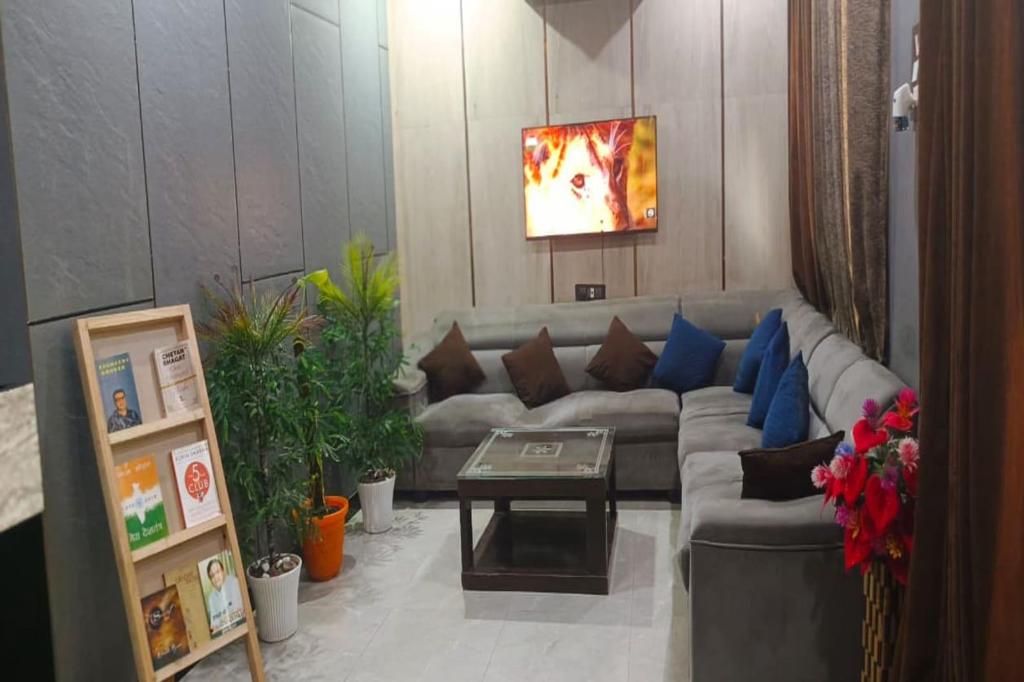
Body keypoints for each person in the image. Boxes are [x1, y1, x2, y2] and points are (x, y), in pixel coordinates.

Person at [205, 557, 244, 634]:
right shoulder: (211, 598)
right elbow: (213, 627)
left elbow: (240, 612)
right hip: (224, 636)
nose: (216, 577)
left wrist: (221, 623)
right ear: (210, 580)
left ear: (223, 571)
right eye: (212, 576)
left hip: (240, 629)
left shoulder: (234, 582)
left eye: (217, 572)